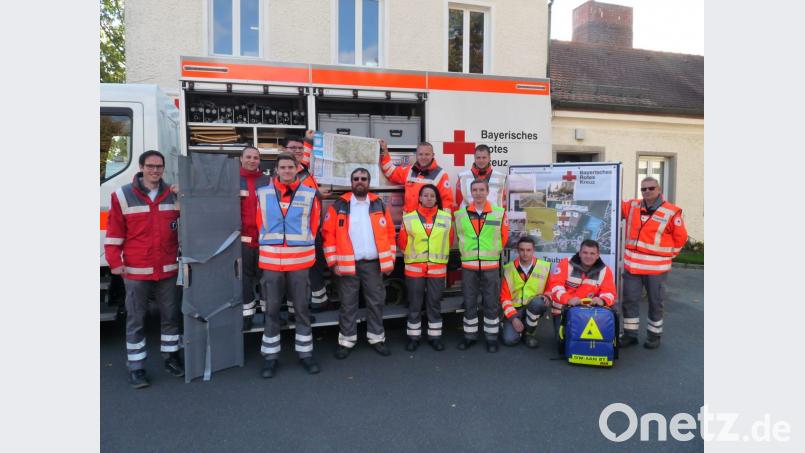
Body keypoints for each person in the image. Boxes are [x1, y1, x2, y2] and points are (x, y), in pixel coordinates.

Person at [104, 150, 183, 389]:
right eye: (150, 166)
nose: (155, 170)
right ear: (141, 167)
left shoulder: (173, 194)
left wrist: (185, 199)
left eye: (159, 166)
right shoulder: (123, 196)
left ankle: (171, 357)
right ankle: (136, 367)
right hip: (136, 269)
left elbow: (186, 225)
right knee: (136, 319)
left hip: (167, 268)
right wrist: (115, 263)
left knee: (170, 317)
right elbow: (114, 232)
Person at [255, 153, 322, 378]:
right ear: (276, 170)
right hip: (272, 263)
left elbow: (314, 225)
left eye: (290, 167)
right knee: (272, 311)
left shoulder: (310, 193)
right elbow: (259, 223)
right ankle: (270, 358)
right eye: (282, 167)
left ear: (296, 170)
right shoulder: (262, 193)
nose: (286, 171)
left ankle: (306, 354)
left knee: (302, 310)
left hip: (300, 262)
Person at [323, 168, 396, 359]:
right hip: (348, 265)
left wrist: (391, 259)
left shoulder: (378, 204)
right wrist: (333, 262)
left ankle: (376, 338)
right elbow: (328, 235)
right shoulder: (340, 205)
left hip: (373, 264)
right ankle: (346, 341)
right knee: (348, 304)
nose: (359, 181)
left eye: (363, 178)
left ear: (369, 182)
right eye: (356, 179)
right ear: (351, 182)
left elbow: (389, 233)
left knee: (376, 302)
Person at [621, 177, 688, 349]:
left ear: (659, 190)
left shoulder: (671, 212)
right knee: (629, 300)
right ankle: (630, 334)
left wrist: (667, 256)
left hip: (656, 270)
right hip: (632, 268)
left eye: (651, 188)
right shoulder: (633, 206)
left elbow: (681, 239)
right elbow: (614, 204)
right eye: (643, 189)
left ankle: (654, 335)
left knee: (655, 302)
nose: (647, 191)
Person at [453, 179, 508, 353]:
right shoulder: (460, 214)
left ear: (487, 191)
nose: (478, 193)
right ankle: (470, 336)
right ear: (471, 192)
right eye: (475, 190)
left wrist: (496, 251)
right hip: (469, 266)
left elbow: (503, 237)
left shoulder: (498, 213)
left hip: (490, 266)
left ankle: (491, 338)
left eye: (481, 190)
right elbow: (459, 237)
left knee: (491, 303)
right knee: (469, 302)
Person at [397, 184, 453, 352]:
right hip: (415, 269)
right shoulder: (409, 218)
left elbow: (449, 241)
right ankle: (413, 337)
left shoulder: (446, 218)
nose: (429, 198)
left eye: (432, 195)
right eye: (425, 195)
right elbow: (402, 242)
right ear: (419, 198)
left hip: (437, 269)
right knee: (414, 304)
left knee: (434, 304)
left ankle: (435, 337)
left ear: (436, 199)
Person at [283, 135, 332, 315]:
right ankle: (295, 311)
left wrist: (308, 140)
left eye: (299, 148)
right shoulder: (285, 171)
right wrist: (318, 194)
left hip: (312, 229)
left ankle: (320, 302)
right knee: (298, 272)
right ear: (284, 151)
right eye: (292, 148)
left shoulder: (302, 167)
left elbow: (304, 154)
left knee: (316, 266)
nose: (296, 151)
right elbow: (293, 195)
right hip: (297, 233)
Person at [545, 240, 617, 345]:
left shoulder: (605, 270)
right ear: (579, 253)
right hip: (563, 310)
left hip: (589, 313)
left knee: (591, 343)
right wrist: (568, 299)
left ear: (597, 255)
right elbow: (555, 287)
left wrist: (602, 300)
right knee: (562, 343)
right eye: (585, 252)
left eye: (592, 253)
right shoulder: (566, 264)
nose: (588, 256)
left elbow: (610, 293)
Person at [238, 146, 270, 331]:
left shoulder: (268, 181)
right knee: (245, 280)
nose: (252, 160)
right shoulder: (232, 181)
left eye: (256, 157)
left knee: (267, 280)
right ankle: (247, 316)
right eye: (248, 157)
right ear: (241, 159)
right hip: (243, 241)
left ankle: (269, 314)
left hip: (265, 240)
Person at [499, 236, 551, 348]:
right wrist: (513, 318)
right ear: (517, 250)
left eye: (528, 250)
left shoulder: (544, 267)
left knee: (538, 303)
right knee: (509, 340)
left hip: (533, 306)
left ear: (533, 250)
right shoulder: (509, 269)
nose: (525, 253)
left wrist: (547, 295)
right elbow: (504, 298)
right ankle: (515, 326)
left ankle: (529, 334)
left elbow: (550, 289)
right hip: (515, 309)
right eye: (522, 250)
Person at [379, 139, 453, 214]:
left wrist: (443, 224)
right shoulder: (409, 171)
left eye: (427, 154)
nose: (423, 157)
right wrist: (384, 151)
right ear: (416, 155)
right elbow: (391, 172)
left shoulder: (441, 175)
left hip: (427, 224)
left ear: (433, 155)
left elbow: (446, 204)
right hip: (408, 223)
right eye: (420, 154)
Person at [454, 144, 507, 210]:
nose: (481, 160)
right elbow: (459, 201)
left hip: (493, 218)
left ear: (489, 158)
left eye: (484, 157)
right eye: (478, 158)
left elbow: (502, 202)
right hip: (468, 218)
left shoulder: (500, 177)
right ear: (474, 158)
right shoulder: (462, 177)